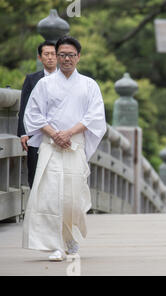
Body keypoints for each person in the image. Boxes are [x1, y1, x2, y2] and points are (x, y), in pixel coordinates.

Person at [22, 36, 107, 261]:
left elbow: (95, 116)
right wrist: (54, 134)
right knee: (50, 196)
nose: (66, 59)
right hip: (51, 147)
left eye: (71, 55)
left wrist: (68, 133)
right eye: (62, 55)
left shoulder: (89, 85)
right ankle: (55, 245)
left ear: (78, 56)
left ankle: (70, 238)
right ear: (56, 57)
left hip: (74, 145)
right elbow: (33, 114)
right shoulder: (44, 84)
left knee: (72, 197)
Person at [17, 40, 57, 188]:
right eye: (46, 54)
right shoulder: (32, 79)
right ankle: (35, 205)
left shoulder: (65, 79)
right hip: (35, 132)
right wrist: (23, 133)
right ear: (40, 57)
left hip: (58, 132)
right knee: (34, 169)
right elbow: (24, 107)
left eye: (53, 54)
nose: (50, 57)